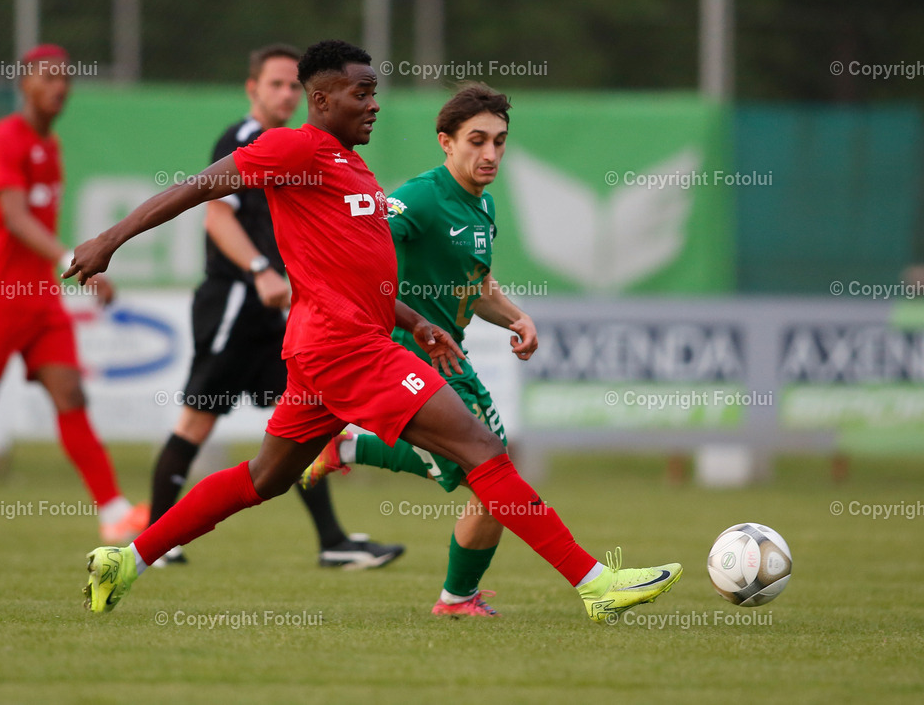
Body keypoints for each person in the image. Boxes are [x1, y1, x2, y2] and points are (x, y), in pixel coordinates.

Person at [68, 40, 682, 624]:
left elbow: (355, 268)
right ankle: (595, 584)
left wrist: (415, 321)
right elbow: (198, 186)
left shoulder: (350, 168)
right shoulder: (294, 149)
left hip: (330, 347)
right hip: (346, 348)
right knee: (483, 449)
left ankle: (125, 562)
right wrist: (108, 240)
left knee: (265, 478)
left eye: (375, 91)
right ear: (323, 99)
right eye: (362, 93)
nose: (374, 103)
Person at [149, 43, 403, 569]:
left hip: (281, 312)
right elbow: (215, 215)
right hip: (236, 301)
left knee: (300, 433)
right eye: (276, 85)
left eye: (292, 85)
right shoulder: (248, 140)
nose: (286, 94)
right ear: (253, 89)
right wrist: (259, 270)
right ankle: (157, 535)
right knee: (197, 421)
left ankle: (332, 540)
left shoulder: (312, 149)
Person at [301, 83, 531, 616]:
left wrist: (517, 317)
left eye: (499, 141)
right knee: (494, 475)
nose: (491, 153)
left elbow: (475, 286)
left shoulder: (483, 205)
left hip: (452, 354)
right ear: (446, 142)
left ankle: (348, 449)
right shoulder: (422, 196)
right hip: (410, 351)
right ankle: (458, 598)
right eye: (477, 140)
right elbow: (366, 237)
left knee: (491, 474)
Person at [0, 45, 147, 544]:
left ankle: (113, 510)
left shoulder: (52, 146)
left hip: (41, 298)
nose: (58, 86)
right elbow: (15, 218)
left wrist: (65, 268)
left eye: (65, 78)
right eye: (47, 77)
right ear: (24, 84)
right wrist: (73, 260)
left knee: (71, 393)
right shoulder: (6, 137)